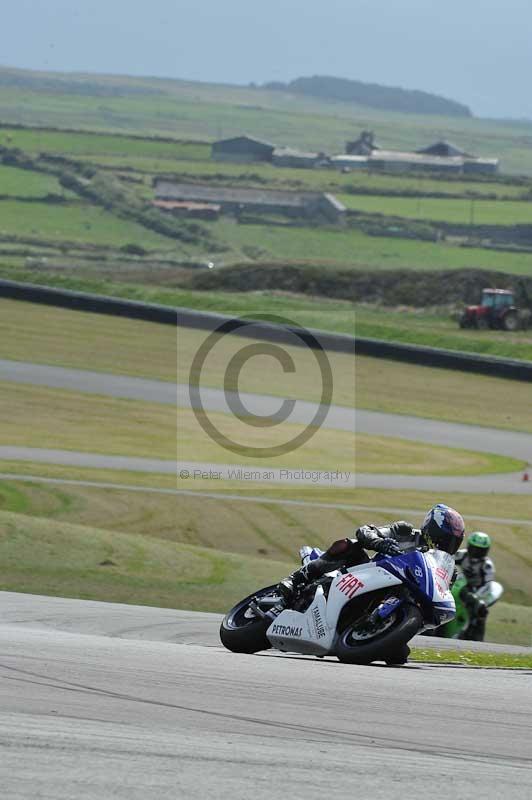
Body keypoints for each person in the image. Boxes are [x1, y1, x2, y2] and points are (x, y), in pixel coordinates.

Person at [279, 503, 466, 602]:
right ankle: (295, 579)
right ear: (432, 530)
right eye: (444, 539)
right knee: (349, 545)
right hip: (363, 574)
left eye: (452, 542)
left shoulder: (448, 571)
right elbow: (364, 531)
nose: (446, 545)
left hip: (393, 596)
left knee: (398, 656)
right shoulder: (405, 532)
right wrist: (381, 543)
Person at [454, 531, 495, 641]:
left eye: (480, 550)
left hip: (476, 590)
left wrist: (476, 596)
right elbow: (448, 559)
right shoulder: (462, 554)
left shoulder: (487, 565)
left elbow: (488, 584)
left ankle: (476, 637)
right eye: (474, 548)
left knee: (480, 610)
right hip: (459, 584)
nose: (476, 552)